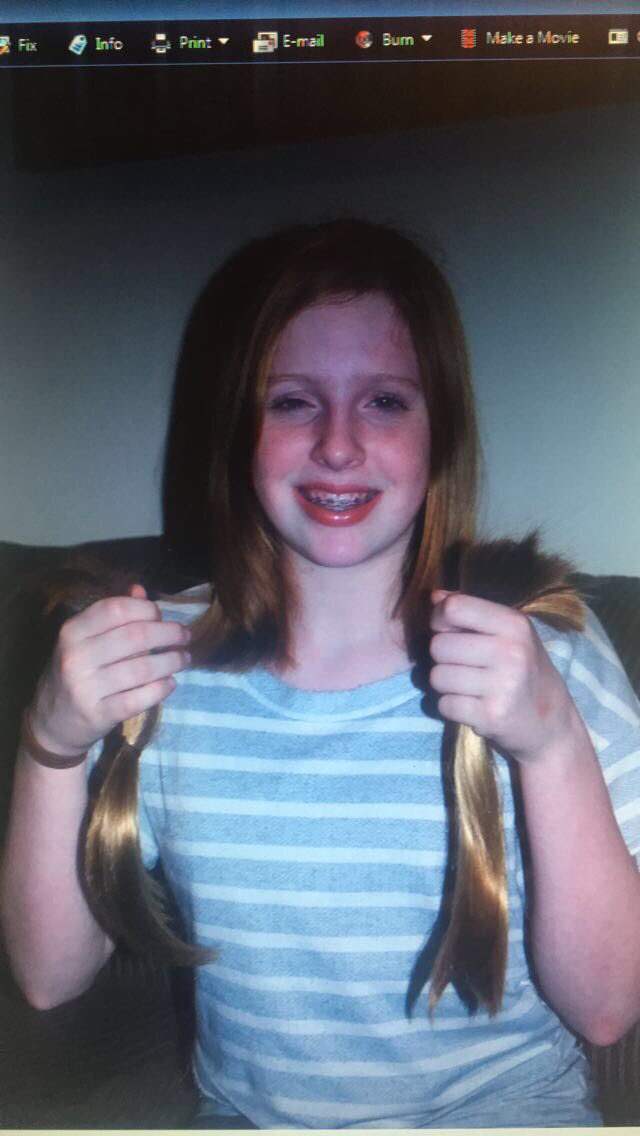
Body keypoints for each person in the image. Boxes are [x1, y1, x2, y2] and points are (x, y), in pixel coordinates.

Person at [2, 219, 640, 1129]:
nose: (338, 445)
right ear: (242, 429)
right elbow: (47, 977)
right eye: (294, 402)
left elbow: (610, 1008)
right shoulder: (155, 663)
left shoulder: (550, 645)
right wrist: (50, 744)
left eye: (384, 401)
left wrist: (553, 746)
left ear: (441, 431)